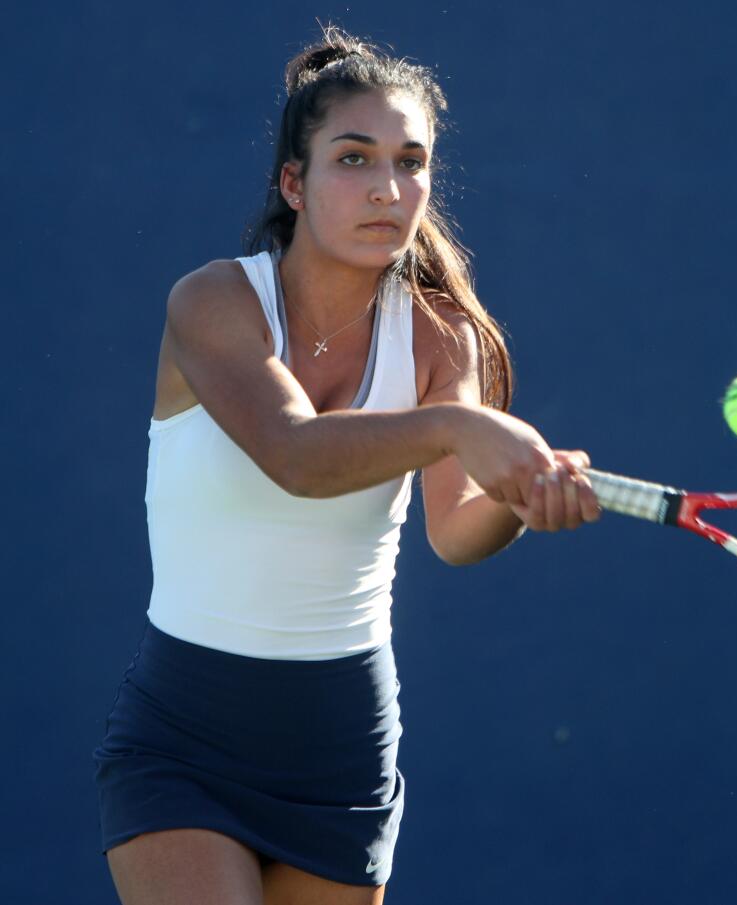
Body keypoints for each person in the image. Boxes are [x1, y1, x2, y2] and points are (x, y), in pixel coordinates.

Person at [93, 25, 599, 905]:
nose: (388, 189)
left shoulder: (440, 340)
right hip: (183, 736)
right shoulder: (213, 302)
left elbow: (455, 531)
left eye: (412, 162)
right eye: (354, 159)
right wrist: (456, 427)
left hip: (341, 747)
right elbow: (293, 454)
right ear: (295, 182)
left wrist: (521, 496)